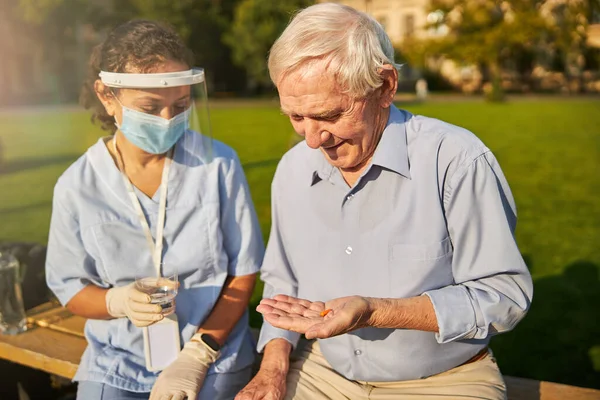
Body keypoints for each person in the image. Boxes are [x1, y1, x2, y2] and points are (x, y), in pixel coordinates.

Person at [237, 3, 533, 400]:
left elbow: (505, 295)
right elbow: (283, 280)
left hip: (443, 382)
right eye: (295, 117)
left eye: (329, 114)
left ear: (385, 86)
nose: (311, 139)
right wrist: (272, 368)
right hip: (324, 369)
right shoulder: (293, 169)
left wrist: (377, 312)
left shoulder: (457, 160)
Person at [45, 20, 264, 400]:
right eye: (149, 107)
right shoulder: (77, 186)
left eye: (180, 106)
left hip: (215, 353)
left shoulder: (218, 165)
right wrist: (118, 301)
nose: (167, 120)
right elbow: (69, 285)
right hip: (119, 360)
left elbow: (244, 272)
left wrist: (198, 353)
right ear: (106, 95)